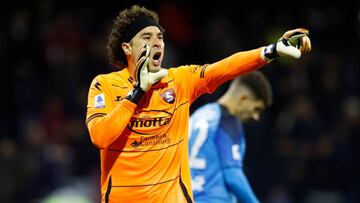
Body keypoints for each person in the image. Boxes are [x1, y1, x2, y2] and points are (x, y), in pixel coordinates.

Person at [85, 4, 311, 203]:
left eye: (160, 37)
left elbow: (223, 68)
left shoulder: (180, 80)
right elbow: (100, 137)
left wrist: (270, 51)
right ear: (127, 48)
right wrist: (137, 92)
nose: (157, 43)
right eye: (147, 37)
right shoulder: (104, 85)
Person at [188, 71, 272, 203]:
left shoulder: (200, 115)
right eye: (256, 109)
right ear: (243, 98)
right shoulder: (227, 122)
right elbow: (232, 175)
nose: (255, 117)